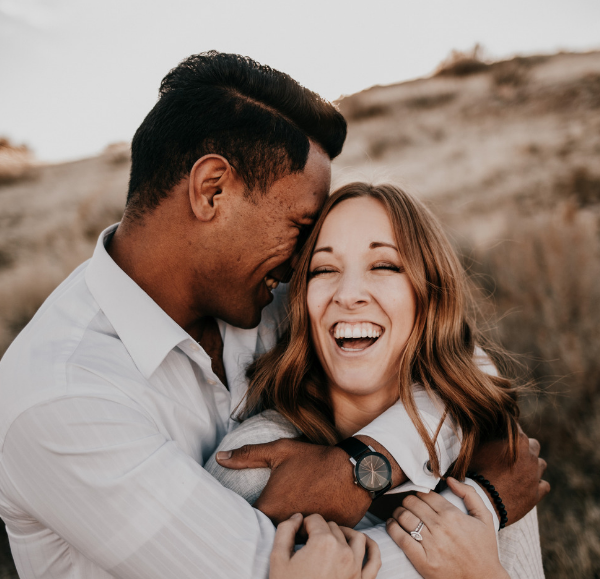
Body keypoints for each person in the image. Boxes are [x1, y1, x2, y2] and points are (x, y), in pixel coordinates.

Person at [0, 52, 547, 579]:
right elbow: (270, 570)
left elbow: (451, 351)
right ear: (212, 191)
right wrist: (484, 504)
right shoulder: (57, 396)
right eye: (301, 227)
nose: (303, 265)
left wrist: (368, 461)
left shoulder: (264, 295)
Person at [206, 183, 547, 578]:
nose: (348, 295)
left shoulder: (491, 456)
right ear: (302, 302)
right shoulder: (253, 463)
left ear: (430, 296)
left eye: (383, 265)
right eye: (324, 269)